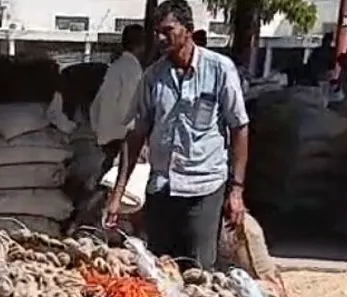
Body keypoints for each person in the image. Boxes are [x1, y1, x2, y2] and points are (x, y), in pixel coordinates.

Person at [104, 0, 249, 271]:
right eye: (157, 32)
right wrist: (117, 194)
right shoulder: (152, 77)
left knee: (200, 271)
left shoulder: (219, 70)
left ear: (188, 30)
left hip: (204, 188)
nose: (160, 38)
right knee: (159, 270)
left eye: (167, 30)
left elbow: (239, 127)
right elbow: (136, 136)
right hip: (163, 188)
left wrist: (237, 189)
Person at [89, 24, 146, 176]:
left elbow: (95, 106)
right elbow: (130, 108)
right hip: (121, 140)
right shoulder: (132, 70)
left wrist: (99, 130)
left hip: (106, 137)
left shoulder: (115, 67)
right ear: (142, 45)